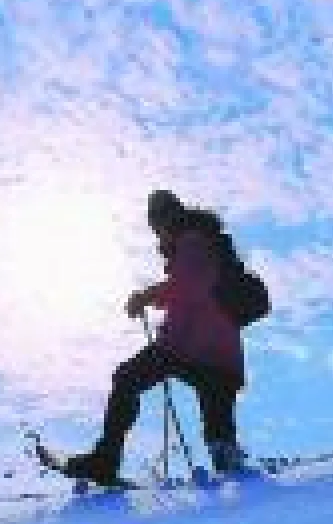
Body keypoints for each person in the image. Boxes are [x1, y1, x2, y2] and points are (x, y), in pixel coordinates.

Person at [58, 190, 249, 485]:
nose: (156, 233)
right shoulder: (204, 242)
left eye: (155, 225)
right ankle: (242, 485)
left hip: (189, 348)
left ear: (163, 219)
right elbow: (193, 290)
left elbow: (189, 288)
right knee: (219, 429)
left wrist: (146, 297)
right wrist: (156, 299)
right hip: (223, 357)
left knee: (126, 378)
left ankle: (105, 461)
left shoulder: (192, 241)